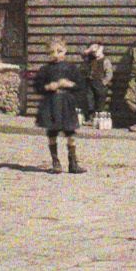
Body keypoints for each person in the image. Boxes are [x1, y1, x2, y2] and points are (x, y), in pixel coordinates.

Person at [31, 36, 86, 174]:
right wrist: (48, 87)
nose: (56, 55)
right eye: (52, 52)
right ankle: (56, 162)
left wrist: (69, 84)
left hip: (66, 103)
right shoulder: (45, 69)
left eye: (59, 51)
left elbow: (81, 85)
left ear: (65, 51)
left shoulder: (71, 68)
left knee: (71, 133)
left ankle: (73, 163)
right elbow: (37, 86)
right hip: (51, 104)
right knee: (52, 133)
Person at [82, 41, 114, 128]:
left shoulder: (105, 61)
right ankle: (90, 118)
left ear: (101, 49)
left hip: (100, 83)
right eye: (93, 52)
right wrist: (89, 50)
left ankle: (99, 120)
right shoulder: (90, 59)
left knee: (100, 101)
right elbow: (83, 55)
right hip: (90, 82)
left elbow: (109, 73)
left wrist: (104, 82)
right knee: (89, 100)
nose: (94, 53)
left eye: (96, 50)